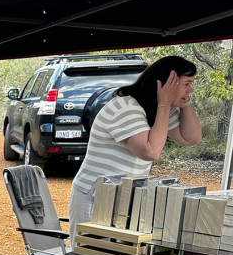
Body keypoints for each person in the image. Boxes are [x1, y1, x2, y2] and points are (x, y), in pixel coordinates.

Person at [69, 56, 201, 239]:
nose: (191, 89)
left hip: (124, 197)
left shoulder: (156, 109)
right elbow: (150, 151)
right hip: (97, 197)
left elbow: (192, 138)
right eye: (187, 83)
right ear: (168, 82)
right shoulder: (126, 107)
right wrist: (164, 103)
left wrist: (183, 100)